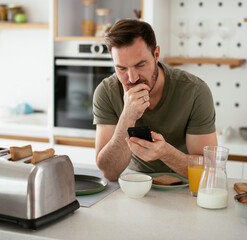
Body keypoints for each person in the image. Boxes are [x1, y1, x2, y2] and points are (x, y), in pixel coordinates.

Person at [93, 19, 217, 181]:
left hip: (185, 184)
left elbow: (209, 169)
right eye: (121, 68)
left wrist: (165, 153)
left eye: (140, 65)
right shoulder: (106, 92)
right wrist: (127, 117)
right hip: (134, 182)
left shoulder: (195, 91)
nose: (132, 78)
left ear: (156, 54)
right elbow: (109, 172)